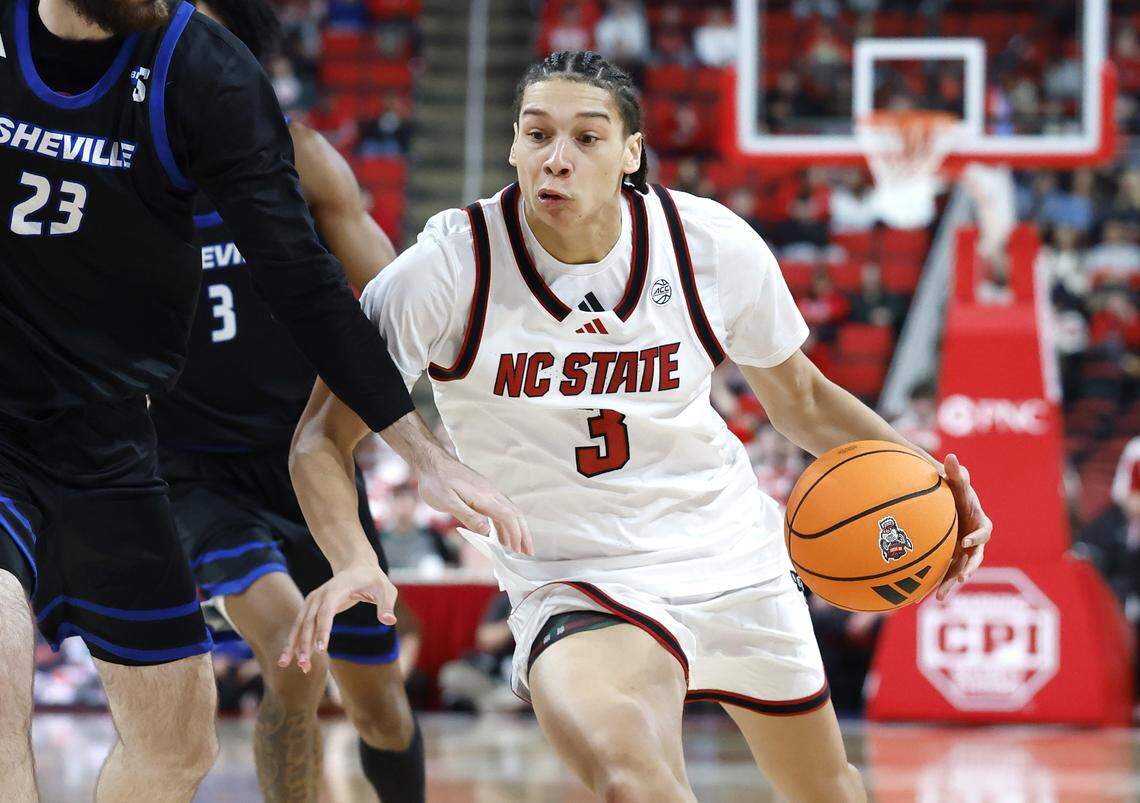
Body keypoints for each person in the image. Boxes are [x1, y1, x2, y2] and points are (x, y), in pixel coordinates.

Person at [283, 51, 992, 801]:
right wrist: (352, 557)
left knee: (830, 789)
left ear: (631, 153)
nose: (557, 158)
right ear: (514, 146)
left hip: (731, 556)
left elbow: (805, 402)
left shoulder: (708, 245)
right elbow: (319, 440)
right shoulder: (445, 271)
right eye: (537, 134)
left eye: (587, 138)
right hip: (575, 577)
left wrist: (931, 482)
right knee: (633, 780)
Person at [0, 1, 525, 800]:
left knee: (225, 737)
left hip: (219, 451)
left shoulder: (243, 114)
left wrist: (422, 443)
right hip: (184, 465)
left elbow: (355, 297)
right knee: (288, 656)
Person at [143, 1, 427, 799]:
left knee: (381, 709)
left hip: (311, 461)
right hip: (195, 474)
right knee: (291, 658)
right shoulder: (134, 172)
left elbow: (398, 301)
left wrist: (364, 412)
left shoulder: (300, 158)